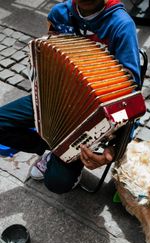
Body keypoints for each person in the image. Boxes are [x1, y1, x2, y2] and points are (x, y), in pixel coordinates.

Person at [0, 0, 141, 194]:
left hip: (89, 116)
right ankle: (52, 147)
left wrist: (112, 152)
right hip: (54, 97)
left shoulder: (121, 25)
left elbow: (130, 99)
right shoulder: (59, 13)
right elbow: (49, 54)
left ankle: (62, 151)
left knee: (56, 184)